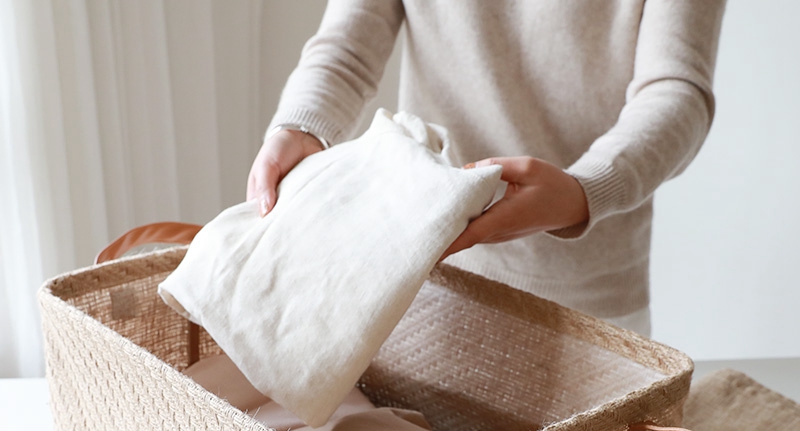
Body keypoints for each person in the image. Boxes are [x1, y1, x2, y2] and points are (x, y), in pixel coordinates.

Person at [246, 0, 727, 335]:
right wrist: (302, 126)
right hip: (426, 273)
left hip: (589, 295)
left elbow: (677, 90)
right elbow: (346, 51)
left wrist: (587, 189)